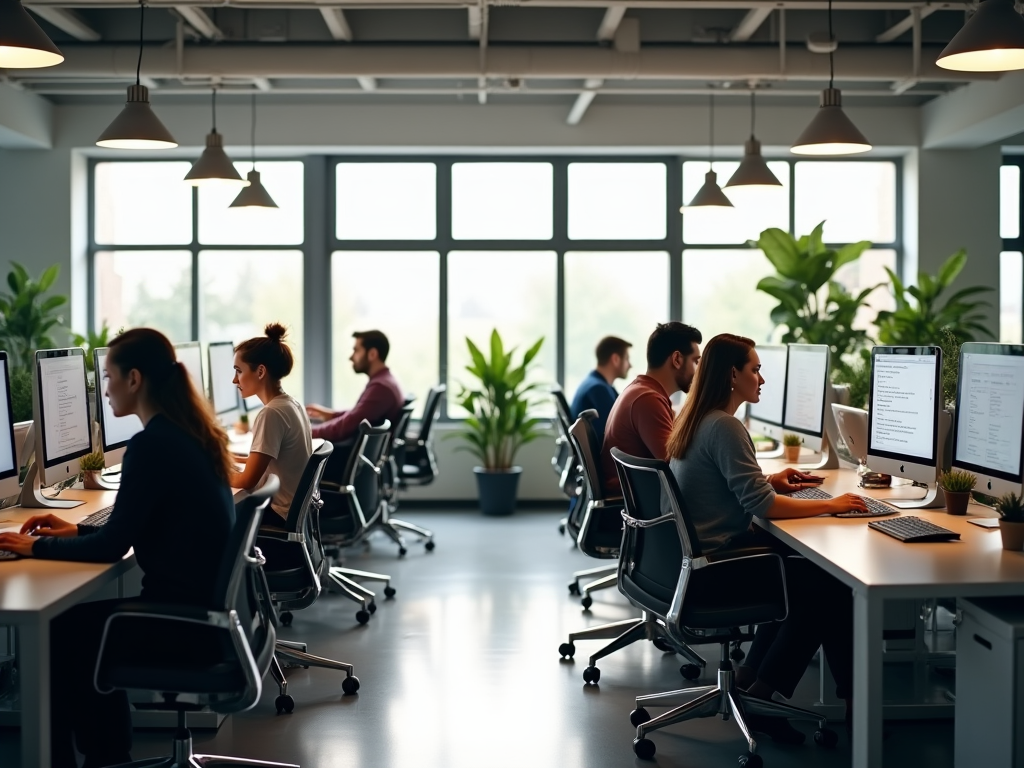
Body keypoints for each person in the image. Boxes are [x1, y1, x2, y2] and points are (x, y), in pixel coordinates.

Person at [0, 328, 236, 768]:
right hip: (204, 616)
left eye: (108, 378)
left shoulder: (151, 444)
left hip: (179, 623)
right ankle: (106, 753)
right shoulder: (187, 433)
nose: (104, 391)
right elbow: (133, 527)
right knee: (74, 625)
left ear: (134, 379)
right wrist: (69, 532)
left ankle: (87, 758)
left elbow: (113, 546)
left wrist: (34, 548)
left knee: (60, 629)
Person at [664, 333, 864, 741]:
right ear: (732, 375)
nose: (762, 378)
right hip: (718, 570)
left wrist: (770, 479)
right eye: (755, 369)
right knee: (827, 589)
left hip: (697, 563)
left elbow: (729, 484)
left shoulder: (696, 418)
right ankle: (832, 702)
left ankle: (755, 682)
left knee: (808, 581)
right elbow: (764, 507)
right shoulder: (725, 427)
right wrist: (833, 504)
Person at [599, 322, 702, 494]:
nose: (698, 371)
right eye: (695, 362)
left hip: (636, 496)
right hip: (639, 501)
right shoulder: (648, 400)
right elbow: (677, 467)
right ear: (677, 359)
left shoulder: (643, 390)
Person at [229, 323, 311, 524]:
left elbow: (248, 481)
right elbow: (271, 463)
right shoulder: (291, 404)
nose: (234, 380)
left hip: (277, 514)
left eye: (238, 371)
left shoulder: (271, 413)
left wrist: (214, 473)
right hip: (292, 511)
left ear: (260, 371)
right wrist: (233, 460)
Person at [305, 330, 405, 443]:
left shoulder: (381, 388)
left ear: (372, 354)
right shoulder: (386, 381)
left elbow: (345, 426)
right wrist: (331, 415)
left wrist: (306, 432)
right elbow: (358, 414)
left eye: (356, 350)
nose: (351, 357)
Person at [570, 335, 631, 446]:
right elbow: (616, 434)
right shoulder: (598, 390)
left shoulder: (592, 383)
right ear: (615, 359)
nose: (630, 365)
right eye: (627, 359)